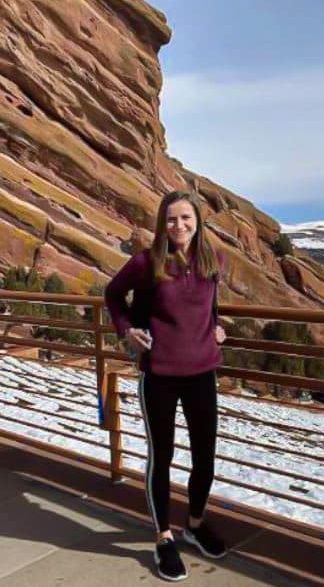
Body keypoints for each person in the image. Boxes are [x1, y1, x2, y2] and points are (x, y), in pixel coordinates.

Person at [105, 191, 227, 582]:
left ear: (198, 220)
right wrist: (127, 331)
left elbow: (209, 302)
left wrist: (216, 326)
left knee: (205, 454)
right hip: (159, 373)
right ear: (162, 223)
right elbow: (112, 295)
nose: (179, 226)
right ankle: (163, 537)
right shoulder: (147, 261)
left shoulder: (211, 258)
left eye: (186, 218)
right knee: (164, 455)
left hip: (203, 371)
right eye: (172, 219)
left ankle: (194, 522)